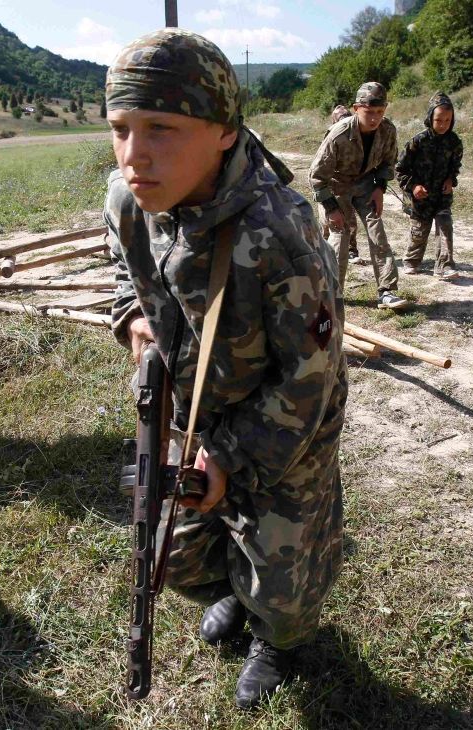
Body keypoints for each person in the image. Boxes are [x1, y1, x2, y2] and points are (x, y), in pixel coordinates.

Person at [104, 29, 347, 709]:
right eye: (120, 129)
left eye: (161, 128)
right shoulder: (130, 200)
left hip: (281, 437)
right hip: (190, 419)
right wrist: (132, 317)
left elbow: (314, 380)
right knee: (172, 559)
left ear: (222, 131)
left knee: (289, 596)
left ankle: (276, 636)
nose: (134, 155)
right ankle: (240, 598)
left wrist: (231, 461)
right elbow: (122, 266)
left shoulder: (279, 233)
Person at [309, 82, 410, 310]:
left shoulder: (387, 131)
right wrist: (331, 208)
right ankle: (333, 294)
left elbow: (388, 162)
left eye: (379, 112)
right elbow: (316, 176)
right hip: (336, 185)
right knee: (339, 237)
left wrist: (379, 189)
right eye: (368, 112)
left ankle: (387, 291)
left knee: (377, 233)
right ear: (356, 108)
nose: (374, 118)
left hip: (365, 183)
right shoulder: (340, 134)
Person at [395, 91, 464, 278]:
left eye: (447, 121)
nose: (443, 125)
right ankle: (411, 261)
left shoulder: (454, 142)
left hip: (442, 196)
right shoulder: (417, 142)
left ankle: (445, 266)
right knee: (419, 231)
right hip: (419, 197)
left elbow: (455, 167)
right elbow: (400, 169)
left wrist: (451, 180)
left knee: (445, 226)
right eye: (439, 120)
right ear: (430, 117)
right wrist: (413, 187)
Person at [318, 104, 362, 264]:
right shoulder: (332, 135)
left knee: (349, 219)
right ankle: (323, 250)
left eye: (345, 117)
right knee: (327, 222)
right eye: (340, 118)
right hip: (330, 184)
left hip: (349, 185)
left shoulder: (356, 135)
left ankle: (351, 250)